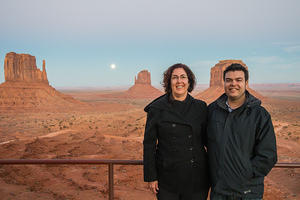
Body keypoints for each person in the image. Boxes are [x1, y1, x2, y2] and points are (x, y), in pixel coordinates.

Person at [207, 63, 277, 200]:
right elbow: (205, 142)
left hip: (247, 193)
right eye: (229, 80)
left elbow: (268, 155)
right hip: (219, 191)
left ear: (246, 82)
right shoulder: (212, 111)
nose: (233, 84)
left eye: (238, 80)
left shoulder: (259, 115)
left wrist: (244, 175)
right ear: (224, 82)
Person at [143, 63, 209, 200]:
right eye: (175, 77)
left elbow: (209, 141)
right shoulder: (156, 108)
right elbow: (149, 145)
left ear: (189, 81)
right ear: (169, 82)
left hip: (197, 179)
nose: (179, 81)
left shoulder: (201, 107)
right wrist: (151, 176)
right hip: (167, 180)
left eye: (183, 77)